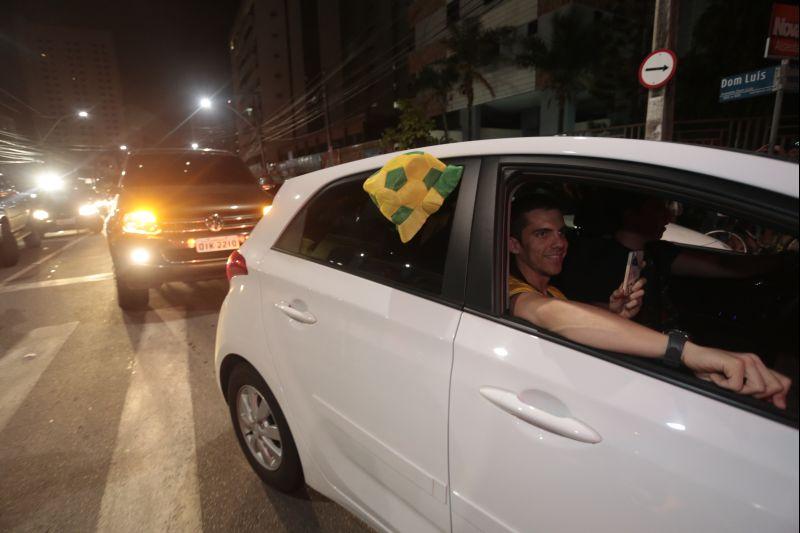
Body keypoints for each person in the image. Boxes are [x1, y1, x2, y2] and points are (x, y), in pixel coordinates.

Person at [509, 194, 791, 409]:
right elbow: (547, 312)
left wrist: (613, 311)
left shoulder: (552, 290)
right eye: (542, 234)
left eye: (561, 232)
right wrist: (686, 352)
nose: (559, 242)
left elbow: (569, 309)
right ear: (514, 245)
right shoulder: (516, 291)